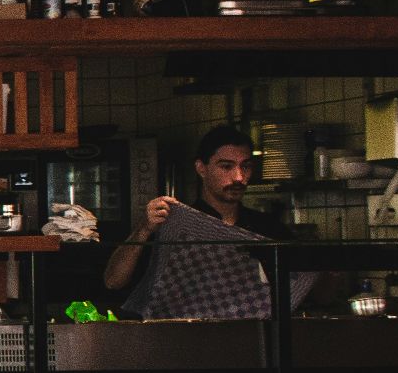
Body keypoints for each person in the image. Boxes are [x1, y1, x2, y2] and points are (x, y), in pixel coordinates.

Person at [104, 125, 292, 292]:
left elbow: (307, 283)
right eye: (226, 166)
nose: (238, 177)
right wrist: (143, 229)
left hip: (253, 329)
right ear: (201, 168)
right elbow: (114, 281)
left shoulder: (268, 228)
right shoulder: (175, 226)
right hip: (188, 329)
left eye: (246, 167)